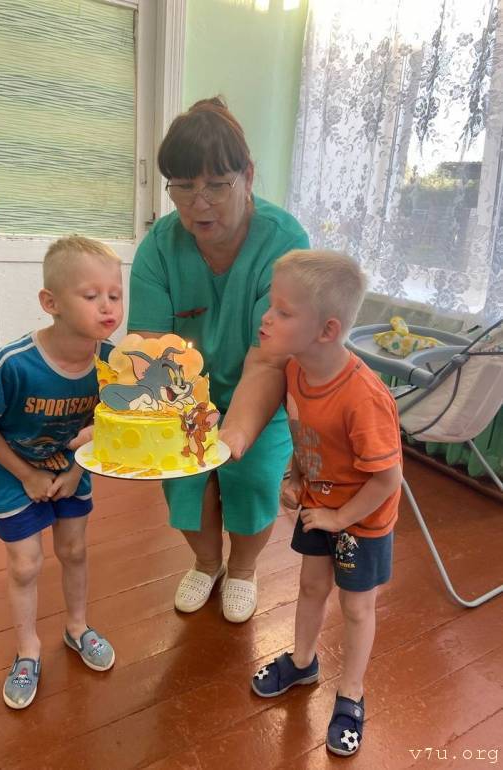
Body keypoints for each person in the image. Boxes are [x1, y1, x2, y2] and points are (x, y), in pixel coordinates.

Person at [127, 96, 310, 623]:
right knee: (183, 478)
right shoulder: (160, 247)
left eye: (215, 185)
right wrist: (158, 418)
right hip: (182, 395)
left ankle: (244, 569)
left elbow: (269, 360)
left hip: (260, 389)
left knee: (250, 477)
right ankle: (207, 563)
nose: (198, 203)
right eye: (182, 186)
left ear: (247, 176)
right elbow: (148, 345)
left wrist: (235, 434)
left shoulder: (284, 242)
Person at [248, 250, 402, 757]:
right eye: (271, 306)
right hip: (320, 504)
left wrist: (339, 518)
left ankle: (351, 694)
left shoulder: (363, 397)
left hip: (362, 519)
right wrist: (296, 476)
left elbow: (387, 479)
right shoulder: (295, 371)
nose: (267, 318)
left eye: (283, 311)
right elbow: (306, 433)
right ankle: (302, 662)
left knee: (357, 607)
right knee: (311, 586)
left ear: (327, 330)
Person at [0, 236, 122, 709]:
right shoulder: (15, 363)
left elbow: (111, 423)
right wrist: (27, 475)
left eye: (115, 294)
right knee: (26, 564)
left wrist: (74, 470)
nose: (107, 306)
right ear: (50, 303)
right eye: (91, 295)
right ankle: (28, 649)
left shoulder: (113, 363)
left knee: (74, 550)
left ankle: (77, 627)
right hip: (11, 475)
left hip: (71, 470)